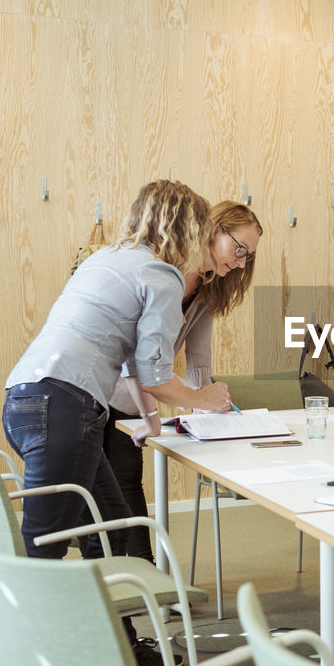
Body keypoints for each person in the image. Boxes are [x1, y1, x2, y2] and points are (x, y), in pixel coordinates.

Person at [2, 179, 232, 666]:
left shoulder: (106, 259)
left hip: (25, 399)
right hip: (65, 408)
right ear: (186, 227)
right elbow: (153, 371)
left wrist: (149, 422)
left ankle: (121, 647)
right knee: (44, 547)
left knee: (106, 528)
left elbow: (131, 366)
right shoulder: (163, 275)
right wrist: (201, 399)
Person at [102, 201, 261, 563]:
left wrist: (209, 408)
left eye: (248, 257)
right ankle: (126, 582)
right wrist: (159, 413)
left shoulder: (208, 290)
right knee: (105, 496)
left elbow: (199, 361)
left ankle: (147, 577)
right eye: (239, 250)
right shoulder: (165, 272)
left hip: (135, 398)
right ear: (215, 230)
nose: (241, 262)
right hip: (108, 391)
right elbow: (136, 359)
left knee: (127, 485)